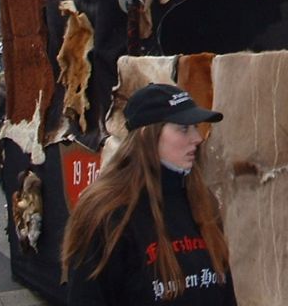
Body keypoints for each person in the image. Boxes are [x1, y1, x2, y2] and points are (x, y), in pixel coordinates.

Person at [63, 83, 235, 305]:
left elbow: (225, 290)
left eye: (196, 127)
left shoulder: (202, 201)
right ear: (148, 135)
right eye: (184, 128)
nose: (198, 138)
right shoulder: (108, 213)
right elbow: (87, 295)